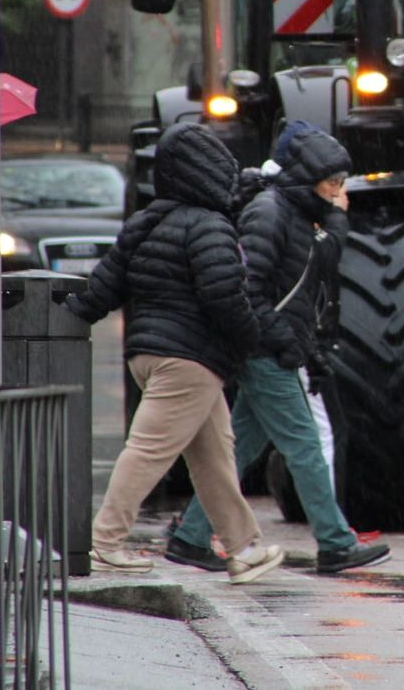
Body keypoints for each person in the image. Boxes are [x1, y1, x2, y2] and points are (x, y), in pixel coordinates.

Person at [166, 124, 390, 575]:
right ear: (308, 177)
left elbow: (319, 265)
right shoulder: (271, 212)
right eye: (333, 182)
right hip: (266, 349)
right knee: (304, 445)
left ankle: (190, 535)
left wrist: (336, 217)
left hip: (269, 346)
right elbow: (248, 290)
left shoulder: (292, 209)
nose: (338, 191)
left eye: (341, 182)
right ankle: (335, 542)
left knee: (243, 447)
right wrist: (284, 340)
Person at [66, 122, 283, 584]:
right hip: (191, 359)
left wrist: (69, 313)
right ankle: (104, 543)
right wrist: (250, 339)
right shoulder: (210, 226)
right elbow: (225, 296)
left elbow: (103, 286)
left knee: (214, 455)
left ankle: (244, 549)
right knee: (148, 451)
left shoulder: (145, 222)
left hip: (149, 353)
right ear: (208, 172)